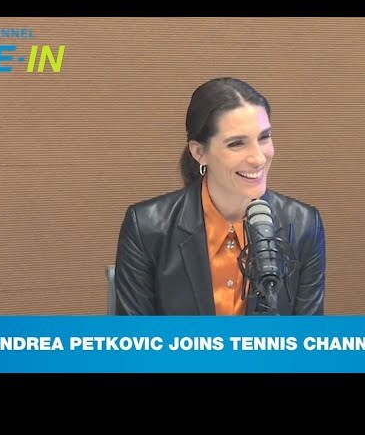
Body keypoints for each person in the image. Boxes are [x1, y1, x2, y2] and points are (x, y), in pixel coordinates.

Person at [114, 77, 326, 315]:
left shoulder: (304, 226)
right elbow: (134, 336)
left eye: (264, 137)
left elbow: (309, 335)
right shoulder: (146, 228)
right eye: (236, 144)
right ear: (199, 152)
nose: (258, 158)